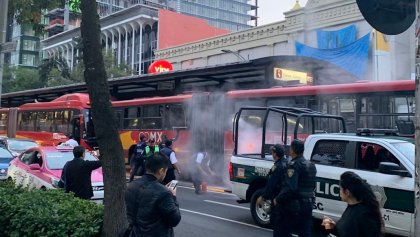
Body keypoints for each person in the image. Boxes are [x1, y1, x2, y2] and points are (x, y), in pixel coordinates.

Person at [125, 152, 181, 237]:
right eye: (165, 171)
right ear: (161, 171)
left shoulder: (132, 185)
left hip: (135, 233)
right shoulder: (164, 192)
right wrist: (173, 196)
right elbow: (174, 220)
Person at [274, 139, 317, 237]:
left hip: (294, 205)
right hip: (308, 203)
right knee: (305, 233)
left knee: (281, 232)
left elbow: (291, 188)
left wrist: (278, 198)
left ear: (292, 150)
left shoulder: (293, 166)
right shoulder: (311, 165)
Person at [322, 171, 383, 237]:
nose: (339, 192)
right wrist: (333, 227)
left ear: (347, 192)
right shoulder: (351, 207)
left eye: (340, 189)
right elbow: (346, 231)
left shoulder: (364, 214)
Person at [256, 144, 287, 237]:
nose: (271, 154)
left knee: (277, 227)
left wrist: (263, 197)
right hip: (286, 198)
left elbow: (271, 184)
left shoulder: (278, 166)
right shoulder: (287, 162)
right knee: (285, 227)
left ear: (275, 154)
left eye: (272, 152)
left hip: (278, 199)